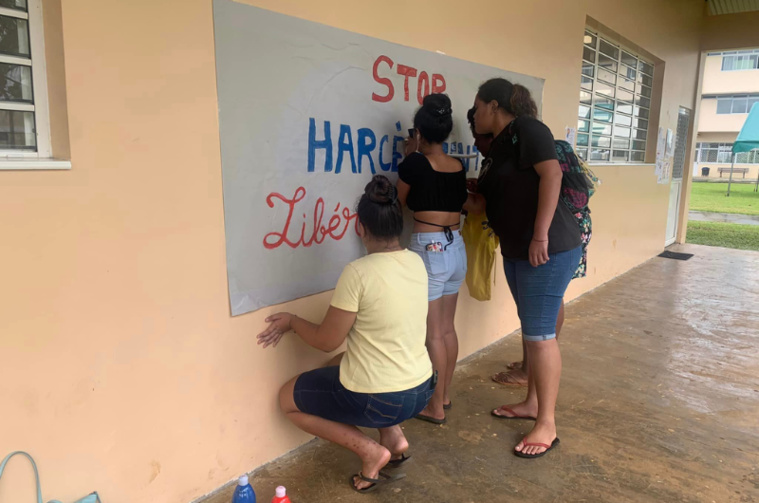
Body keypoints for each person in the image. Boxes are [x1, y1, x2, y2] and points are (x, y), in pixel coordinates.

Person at [257, 175, 434, 493]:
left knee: (288, 399)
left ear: (359, 227)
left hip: (383, 399)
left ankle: (370, 452)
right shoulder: (416, 262)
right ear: (397, 223)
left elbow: (326, 339)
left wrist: (293, 322)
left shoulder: (358, 272)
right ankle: (394, 436)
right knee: (340, 362)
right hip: (421, 390)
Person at [465, 78, 582, 458]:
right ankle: (533, 402)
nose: (476, 114)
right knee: (533, 328)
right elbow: (485, 204)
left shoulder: (527, 129)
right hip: (517, 250)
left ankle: (546, 422)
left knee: (540, 334)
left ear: (495, 106)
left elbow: (553, 174)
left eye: (479, 106)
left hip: (546, 249)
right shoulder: (497, 148)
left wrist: (540, 236)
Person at [396, 93, 468, 425]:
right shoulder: (458, 166)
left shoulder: (413, 164)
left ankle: (435, 406)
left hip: (430, 248)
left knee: (432, 333)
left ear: (420, 133)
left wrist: (410, 155)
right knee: (447, 329)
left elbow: (397, 206)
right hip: (456, 248)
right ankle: (445, 395)